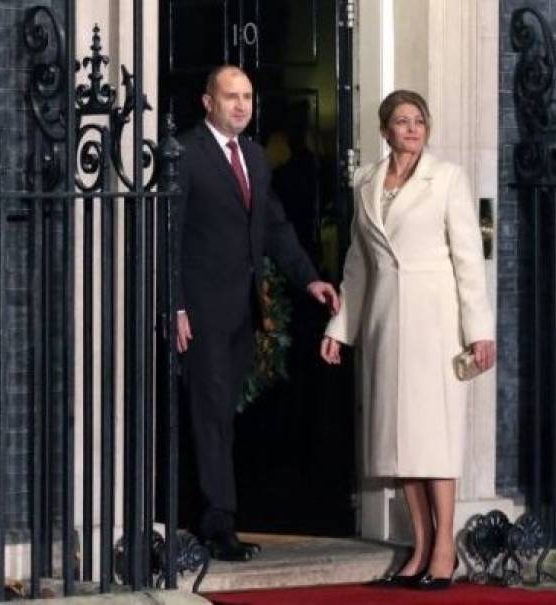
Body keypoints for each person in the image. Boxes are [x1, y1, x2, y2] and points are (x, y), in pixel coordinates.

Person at [320, 90, 496, 590]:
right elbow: (358, 263)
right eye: (402, 120)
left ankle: (445, 550)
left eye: (419, 120)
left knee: (435, 437)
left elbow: (468, 260)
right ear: (385, 130)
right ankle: (420, 546)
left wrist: (479, 331)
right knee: (400, 442)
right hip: (385, 321)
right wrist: (340, 329)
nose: (413, 128)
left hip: (436, 323)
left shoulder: (448, 179)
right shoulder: (367, 182)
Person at [173, 65, 340, 562]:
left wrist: (308, 278)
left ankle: (215, 514)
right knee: (209, 416)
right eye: (231, 97)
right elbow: (166, 237)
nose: (242, 105)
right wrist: (174, 305)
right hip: (201, 312)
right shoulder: (184, 154)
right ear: (208, 102)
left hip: (242, 311)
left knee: (223, 415)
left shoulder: (252, 155)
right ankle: (216, 524)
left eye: (247, 96)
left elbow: (274, 226)